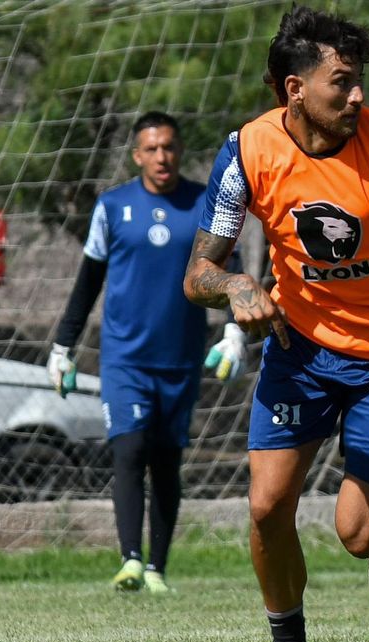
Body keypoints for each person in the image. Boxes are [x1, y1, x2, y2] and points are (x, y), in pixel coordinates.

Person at [180, 7, 369, 642]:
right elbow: (198, 273)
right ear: (294, 90)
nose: (358, 94)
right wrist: (237, 287)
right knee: (266, 506)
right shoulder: (248, 151)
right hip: (300, 349)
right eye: (342, 82)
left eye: (360, 79)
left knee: (357, 533)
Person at [47, 111, 247, 594]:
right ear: (137, 155)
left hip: (181, 358)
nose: (162, 156)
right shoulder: (113, 207)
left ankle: (157, 567)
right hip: (125, 359)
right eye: (152, 149)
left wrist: (234, 331)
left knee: (166, 460)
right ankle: (130, 560)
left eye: (169, 147)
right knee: (130, 448)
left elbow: (232, 269)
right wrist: (61, 347)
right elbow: (87, 283)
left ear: (179, 151)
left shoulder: (205, 203)